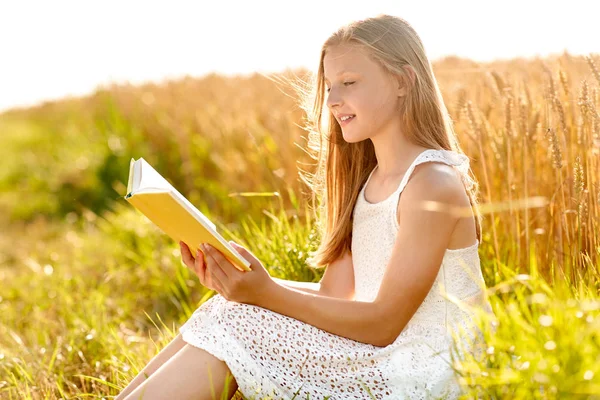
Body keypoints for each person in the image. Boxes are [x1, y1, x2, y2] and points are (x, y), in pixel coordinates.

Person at [117, 14, 497, 400]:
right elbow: (335, 296)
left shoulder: (432, 184)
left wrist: (264, 293)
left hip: (431, 373)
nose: (332, 100)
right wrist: (238, 282)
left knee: (235, 324)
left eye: (349, 83)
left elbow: (384, 322)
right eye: (330, 86)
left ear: (402, 80)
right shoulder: (369, 184)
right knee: (223, 310)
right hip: (387, 357)